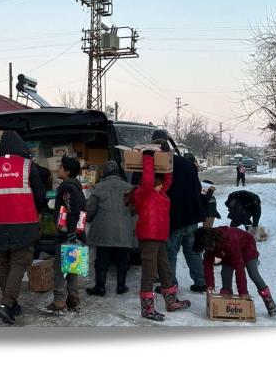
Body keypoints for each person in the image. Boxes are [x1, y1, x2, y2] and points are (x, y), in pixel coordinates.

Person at [0, 130, 47, 324]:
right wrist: (39, 210)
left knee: (4, 263)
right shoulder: (27, 166)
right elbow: (40, 195)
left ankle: (10, 301)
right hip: (24, 223)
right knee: (19, 262)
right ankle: (7, 305)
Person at [132, 147, 191, 321]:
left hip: (160, 237)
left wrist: (166, 158)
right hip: (149, 236)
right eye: (159, 181)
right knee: (149, 273)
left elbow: (168, 177)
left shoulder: (162, 192)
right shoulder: (144, 192)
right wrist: (148, 158)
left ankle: (171, 301)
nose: (162, 183)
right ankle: (147, 308)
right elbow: (148, 179)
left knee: (165, 270)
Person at [151, 131, 207, 294]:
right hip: (192, 217)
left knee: (170, 253)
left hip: (174, 217)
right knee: (193, 250)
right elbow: (197, 188)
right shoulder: (187, 163)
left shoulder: (161, 167)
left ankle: (169, 284)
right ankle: (201, 282)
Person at [194, 226, 276, 317]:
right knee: (225, 273)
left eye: (208, 247)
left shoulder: (229, 240)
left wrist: (243, 292)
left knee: (253, 274)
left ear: (213, 239)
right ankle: (227, 299)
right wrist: (210, 285)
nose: (208, 250)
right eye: (205, 248)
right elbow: (207, 266)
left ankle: (268, 299)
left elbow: (239, 268)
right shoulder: (209, 244)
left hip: (247, 247)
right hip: (227, 252)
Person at [41, 155, 86, 313]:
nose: (58, 169)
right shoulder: (76, 186)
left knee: (60, 268)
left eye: (61, 167)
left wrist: (70, 232)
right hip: (75, 234)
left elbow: (72, 210)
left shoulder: (67, 187)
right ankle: (73, 299)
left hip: (67, 234)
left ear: (67, 171)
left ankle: (59, 302)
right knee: (72, 266)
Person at [85, 160, 136, 296]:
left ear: (105, 172)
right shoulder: (129, 187)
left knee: (102, 259)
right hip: (123, 230)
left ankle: (100, 287)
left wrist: (88, 219)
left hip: (103, 230)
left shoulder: (98, 187)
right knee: (122, 259)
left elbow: (90, 209)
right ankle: (121, 286)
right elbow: (134, 209)